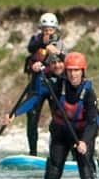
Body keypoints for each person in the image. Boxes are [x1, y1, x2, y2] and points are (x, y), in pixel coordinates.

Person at [5, 52, 99, 179]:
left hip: (81, 137)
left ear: (83, 71)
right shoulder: (56, 86)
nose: (73, 74)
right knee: (53, 174)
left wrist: (85, 141)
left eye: (77, 70)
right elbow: (35, 96)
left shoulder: (89, 92)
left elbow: (93, 123)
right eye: (70, 70)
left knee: (87, 176)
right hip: (60, 135)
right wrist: (15, 113)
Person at [22, 13, 66, 156]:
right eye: (45, 29)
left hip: (53, 85)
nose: (48, 32)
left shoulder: (59, 44)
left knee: (58, 118)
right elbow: (31, 48)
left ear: (55, 29)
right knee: (32, 117)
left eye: (51, 30)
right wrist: (43, 41)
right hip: (36, 84)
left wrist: (57, 51)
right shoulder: (35, 41)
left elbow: (65, 61)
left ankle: (58, 152)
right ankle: (32, 152)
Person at [24, 52, 66, 179]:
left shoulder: (76, 80)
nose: (57, 66)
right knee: (52, 163)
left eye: (60, 62)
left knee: (85, 163)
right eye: (53, 63)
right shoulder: (49, 83)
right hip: (59, 129)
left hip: (77, 128)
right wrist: (13, 115)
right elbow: (35, 95)